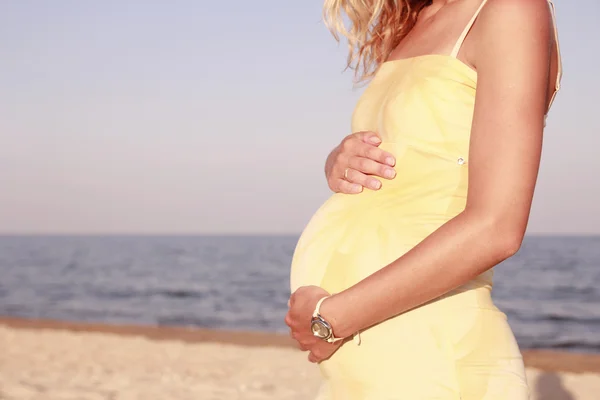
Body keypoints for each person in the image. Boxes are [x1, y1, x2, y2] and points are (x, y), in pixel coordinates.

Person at [285, 0, 562, 398]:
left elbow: (497, 227)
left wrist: (333, 317)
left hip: (433, 351)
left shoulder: (509, 8)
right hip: (365, 354)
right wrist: (340, 160)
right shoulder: (414, 22)